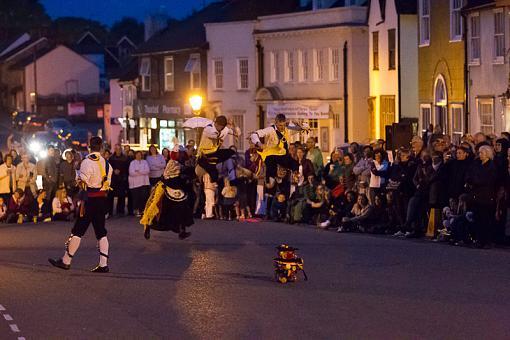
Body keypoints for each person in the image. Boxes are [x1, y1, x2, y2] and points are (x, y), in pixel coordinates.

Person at [48, 136, 113, 273]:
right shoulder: (107, 164)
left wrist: (77, 179)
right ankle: (103, 264)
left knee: (78, 231)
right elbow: (107, 184)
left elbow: (83, 183)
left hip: (90, 200)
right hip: (102, 200)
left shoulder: (87, 162)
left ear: (89, 146)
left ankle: (66, 260)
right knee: (101, 232)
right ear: (101, 147)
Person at [140, 160, 193, 240]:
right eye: (176, 168)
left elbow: (185, 185)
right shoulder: (164, 181)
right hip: (167, 201)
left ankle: (182, 231)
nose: (178, 169)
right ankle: (148, 226)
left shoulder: (180, 178)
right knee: (162, 218)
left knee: (182, 212)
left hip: (178, 199)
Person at [250, 114, 306, 184]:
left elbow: (303, 128)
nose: (282, 127)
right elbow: (254, 134)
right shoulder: (270, 130)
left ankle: (297, 177)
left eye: (283, 125)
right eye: (280, 125)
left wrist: (299, 125)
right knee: (271, 167)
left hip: (283, 155)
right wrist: (259, 143)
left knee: (295, 164)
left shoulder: (287, 129)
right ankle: (270, 181)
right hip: (270, 155)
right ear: (276, 123)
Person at [196, 115, 236, 184]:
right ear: (216, 124)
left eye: (222, 128)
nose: (221, 129)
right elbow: (215, 135)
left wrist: (233, 127)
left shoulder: (221, 130)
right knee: (214, 174)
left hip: (214, 154)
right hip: (204, 156)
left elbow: (235, 132)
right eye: (221, 127)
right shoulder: (208, 129)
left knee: (231, 152)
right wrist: (226, 130)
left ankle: (232, 177)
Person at [108, 144, 129, 216]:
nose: (118, 150)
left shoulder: (125, 158)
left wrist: (120, 171)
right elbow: (109, 167)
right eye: (116, 149)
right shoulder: (111, 158)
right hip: (113, 179)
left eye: (119, 149)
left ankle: (120, 211)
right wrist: (114, 170)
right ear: (115, 149)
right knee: (110, 196)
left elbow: (127, 168)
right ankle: (110, 212)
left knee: (122, 196)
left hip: (122, 178)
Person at [128, 151, 150, 217]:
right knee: (136, 198)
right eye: (137, 155)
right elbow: (131, 173)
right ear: (135, 155)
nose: (139, 156)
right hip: (135, 184)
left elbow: (147, 170)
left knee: (143, 197)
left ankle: (142, 210)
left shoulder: (145, 162)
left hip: (144, 183)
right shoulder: (132, 163)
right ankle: (136, 210)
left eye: (140, 155)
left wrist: (138, 171)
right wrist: (142, 172)